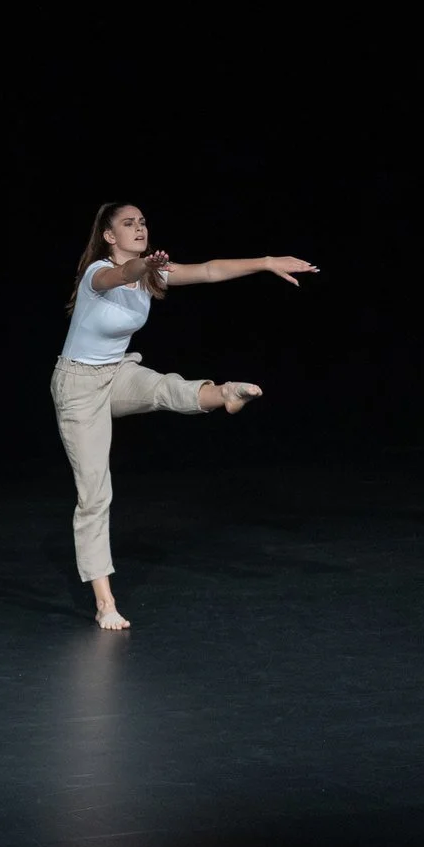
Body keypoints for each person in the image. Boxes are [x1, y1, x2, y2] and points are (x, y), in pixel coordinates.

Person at [51, 201, 318, 630]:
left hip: (117, 373)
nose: (139, 228)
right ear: (109, 236)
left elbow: (210, 270)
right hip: (78, 387)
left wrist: (267, 262)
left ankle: (224, 394)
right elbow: (122, 274)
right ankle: (104, 602)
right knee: (95, 494)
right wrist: (144, 266)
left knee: (164, 388)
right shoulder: (97, 274)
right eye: (128, 224)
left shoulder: (153, 272)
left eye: (142, 222)